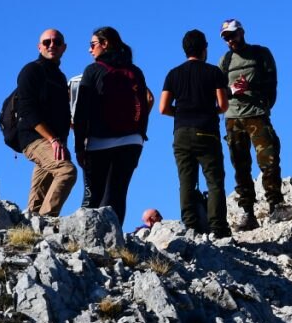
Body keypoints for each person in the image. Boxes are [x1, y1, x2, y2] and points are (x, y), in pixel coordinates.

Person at [218, 19, 292, 227]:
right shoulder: (224, 61)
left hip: (257, 114)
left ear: (242, 32)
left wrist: (260, 96)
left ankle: (276, 205)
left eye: (232, 35)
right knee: (240, 165)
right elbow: (218, 91)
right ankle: (247, 212)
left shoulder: (261, 53)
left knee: (268, 159)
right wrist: (233, 91)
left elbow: (272, 81)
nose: (230, 40)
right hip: (233, 118)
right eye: (226, 37)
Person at [73, 27, 151, 225]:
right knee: (117, 194)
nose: (90, 50)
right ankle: (114, 241)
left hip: (98, 142)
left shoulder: (93, 71)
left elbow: (81, 110)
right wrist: (140, 136)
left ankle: (88, 239)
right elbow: (147, 99)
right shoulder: (135, 71)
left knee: (93, 198)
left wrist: (79, 147)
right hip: (131, 141)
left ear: (105, 44)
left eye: (92, 45)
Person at [159, 29, 231, 237]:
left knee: (186, 181)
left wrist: (182, 113)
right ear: (204, 48)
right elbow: (223, 104)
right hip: (207, 131)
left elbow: (163, 108)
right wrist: (208, 111)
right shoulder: (213, 72)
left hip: (181, 132)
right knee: (214, 180)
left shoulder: (173, 74)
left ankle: (190, 226)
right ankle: (218, 228)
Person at [16, 29, 77, 217]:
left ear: (64, 47)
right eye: (47, 42)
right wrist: (52, 139)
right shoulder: (31, 70)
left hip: (55, 140)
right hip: (35, 138)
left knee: (40, 193)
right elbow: (26, 110)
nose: (52, 45)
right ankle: (47, 221)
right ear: (39, 46)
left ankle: (32, 229)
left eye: (56, 42)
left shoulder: (59, 77)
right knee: (66, 171)